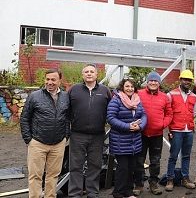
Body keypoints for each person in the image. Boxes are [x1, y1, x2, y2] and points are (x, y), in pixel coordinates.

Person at [20, 69, 70, 198]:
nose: (50, 82)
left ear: (59, 81)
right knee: (35, 175)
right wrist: (28, 139)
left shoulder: (65, 97)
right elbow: (25, 118)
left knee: (53, 175)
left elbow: (67, 118)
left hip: (58, 144)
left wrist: (65, 136)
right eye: (47, 79)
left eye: (53, 80)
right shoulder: (34, 96)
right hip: (37, 142)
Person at [68, 64, 112, 197]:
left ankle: (92, 193)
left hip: (97, 135)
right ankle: (75, 193)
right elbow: (66, 109)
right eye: (86, 72)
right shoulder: (74, 90)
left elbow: (111, 110)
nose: (89, 74)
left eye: (91, 71)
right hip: (77, 134)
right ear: (82, 75)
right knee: (75, 166)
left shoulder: (105, 91)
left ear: (96, 75)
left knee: (95, 165)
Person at [107, 77, 147, 198]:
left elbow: (144, 115)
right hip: (120, 140)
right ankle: (118, 192)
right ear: (122, 88)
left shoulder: (137, 101)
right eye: (127, 86)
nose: (130, 89)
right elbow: (111, 118)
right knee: (122, 168)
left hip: (134, 140)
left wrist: (140, 127)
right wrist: (128, 126)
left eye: (131, 86)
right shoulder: (116, 101)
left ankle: (128, 192)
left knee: (131, 168)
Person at [134, 72, 173, 195]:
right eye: (151, 80)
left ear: (159, 83)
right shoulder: (138, 94)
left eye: (156, 81)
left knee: (155, 160)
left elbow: (169, 114)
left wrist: (162, 124)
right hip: (141, 133)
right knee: (139, 160)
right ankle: (139, 184)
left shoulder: (164, 97)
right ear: (147, 82)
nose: (153, 83)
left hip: (156, 134)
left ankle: (153, 183)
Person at [165, 70, 196, 191]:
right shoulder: (171, 94)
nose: (187, 82)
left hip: (188, 130)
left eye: (189, 80)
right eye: (185, 79)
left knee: (186, 155)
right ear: (180, 80)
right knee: (173, 155)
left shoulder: (194, 96)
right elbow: (168, 112)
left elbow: (194, 112)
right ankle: (170, 179)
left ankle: (185, 178)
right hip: (176, 130)